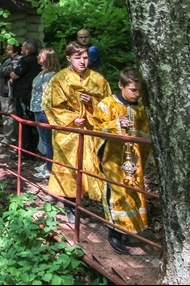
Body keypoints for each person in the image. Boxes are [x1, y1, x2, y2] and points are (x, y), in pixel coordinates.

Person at [43, 41, 112, 223]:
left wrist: (91, 103)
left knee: (92, 167)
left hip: (91, 131)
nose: (82, 61)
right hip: (68, 134)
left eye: (85, 57)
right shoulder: (59, 80)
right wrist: (72, 119)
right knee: (70, 169)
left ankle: (92, 202)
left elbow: (109, 106)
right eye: (77, 57)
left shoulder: (98, 80)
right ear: (68, 58)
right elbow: (50, 105)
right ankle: (69, 205)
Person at [92, 68, 151, 255]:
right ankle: (114, 234)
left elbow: (146, 134)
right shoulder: (106, 105)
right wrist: (116, 125)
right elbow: (95, 130)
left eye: (139, 90)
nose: (137, 94)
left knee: (133, 192)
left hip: (134, 160)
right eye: (133, 90)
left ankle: (129, 230)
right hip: (112, 159)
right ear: (121, 86)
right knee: (115, 193)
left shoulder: (140, 108)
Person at [31, 48, 60, 180]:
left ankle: (50, 169)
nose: (38, 57)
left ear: (47, 59)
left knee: (48, 141)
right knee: (44, 140)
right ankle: (47, 164)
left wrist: (45, 111)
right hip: (38, 109)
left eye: (40, 56)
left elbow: (47, 96)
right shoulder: (44, 72)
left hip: (43, 111)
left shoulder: (50, 76)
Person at [8, 39, 41, 155]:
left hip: (24, 96)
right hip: (32, 95)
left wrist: (12, 75)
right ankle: (32, 148)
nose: (21, 49)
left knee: (24, 122)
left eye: (22, 47)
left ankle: (25, 151)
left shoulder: (26, 61)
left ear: (27, 50)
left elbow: (15, 74)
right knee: (31, 122)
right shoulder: (38, 60)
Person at [0, 43, 21, 145]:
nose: (7, 51)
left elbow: (3, 72)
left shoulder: (17, 61)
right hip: (4, 89)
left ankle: (9, 138)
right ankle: (9, 134)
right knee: (6, 114)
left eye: (9, 50)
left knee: (8, 115)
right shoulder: (10, 59)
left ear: (15, 52)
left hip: (8, 91)